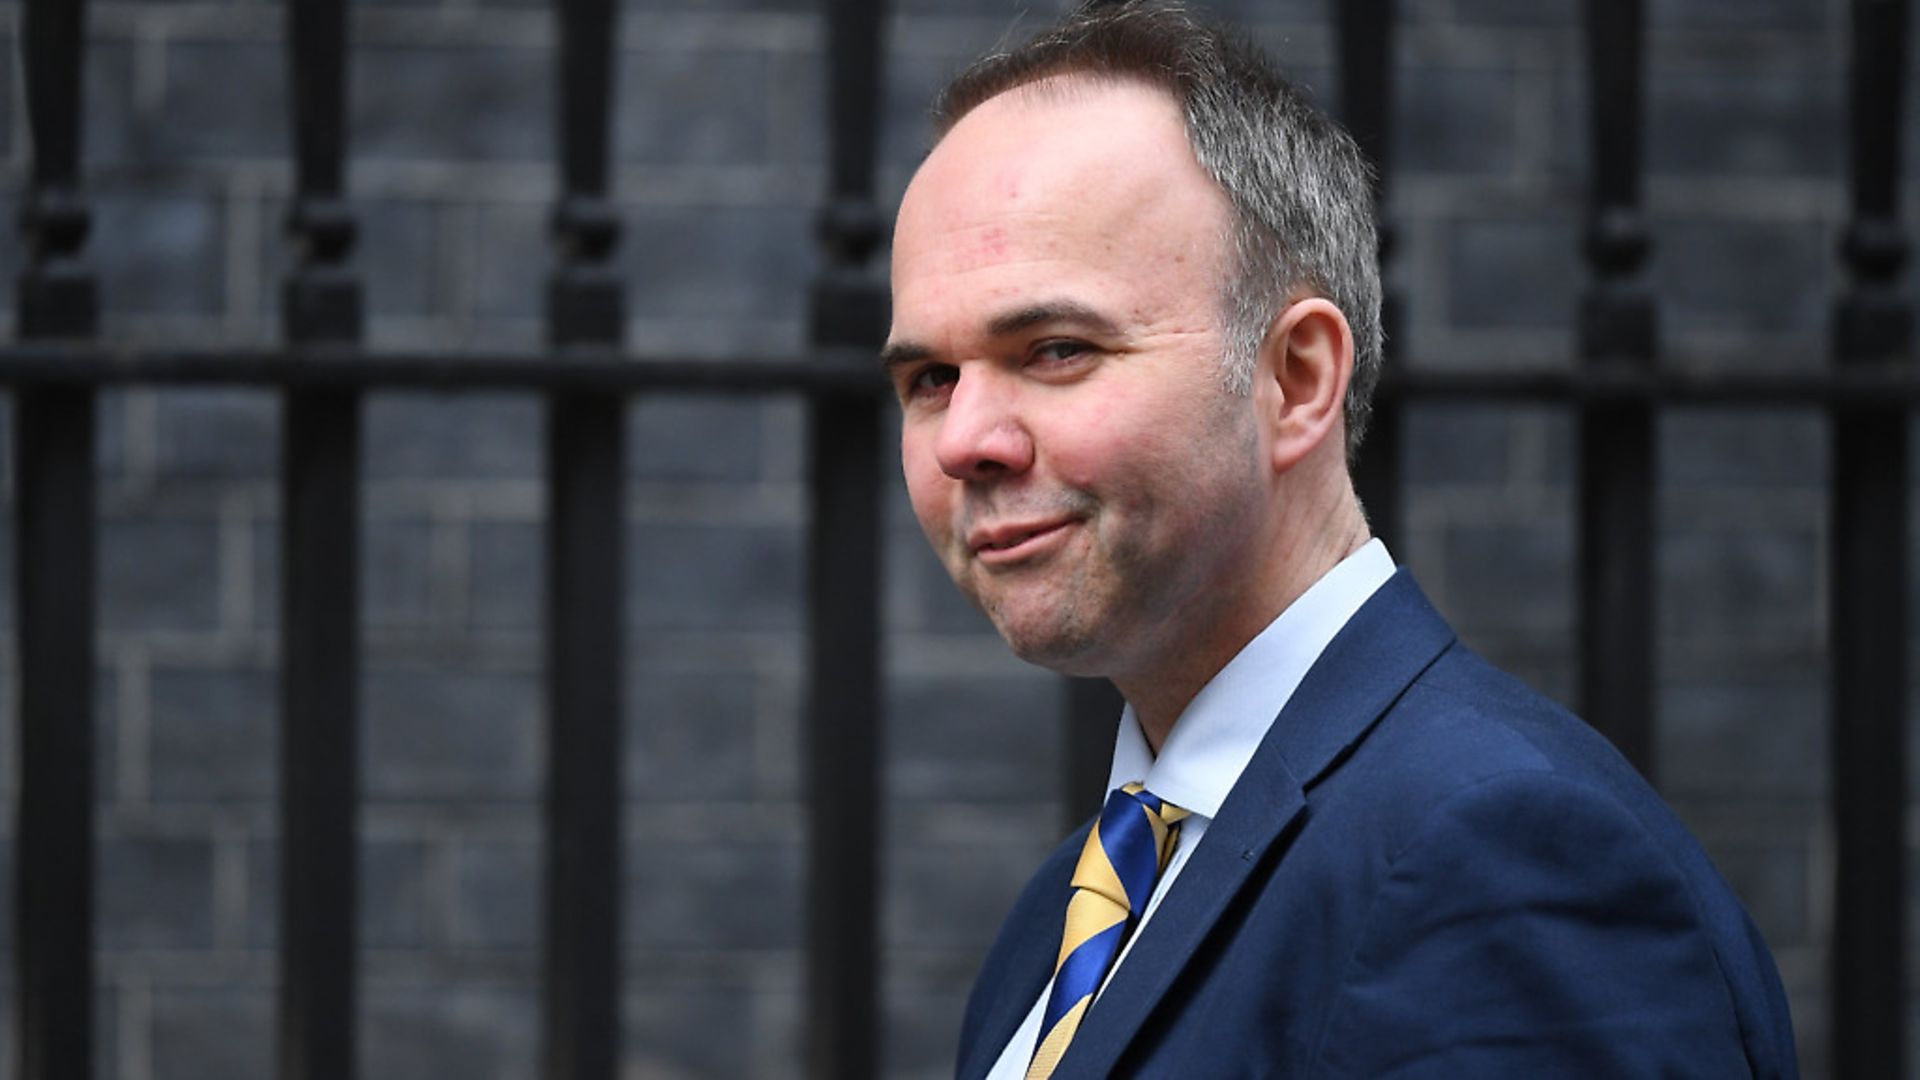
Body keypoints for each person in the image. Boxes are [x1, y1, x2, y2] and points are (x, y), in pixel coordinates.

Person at [880, 2, 1799, 1077]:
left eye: (1054, 347)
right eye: (930, 379)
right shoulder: (1070, 912)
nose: (966, 441)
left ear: (1299, 378)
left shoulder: (1495, 860)